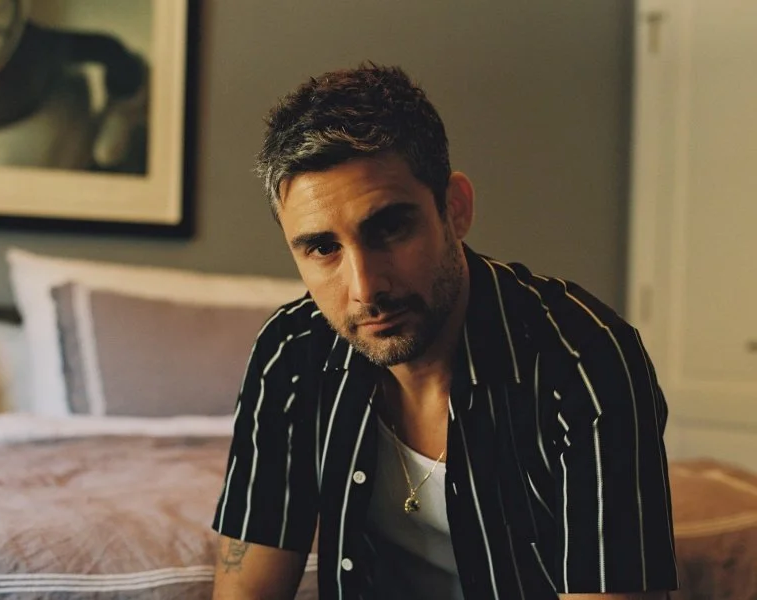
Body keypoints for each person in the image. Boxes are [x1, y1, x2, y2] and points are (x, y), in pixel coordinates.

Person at [210, 63, 678, 600]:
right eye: (322, 248)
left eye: (390, 228)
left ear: (455, 209)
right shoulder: (290, 353)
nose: (365, 288)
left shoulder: (584, 360)